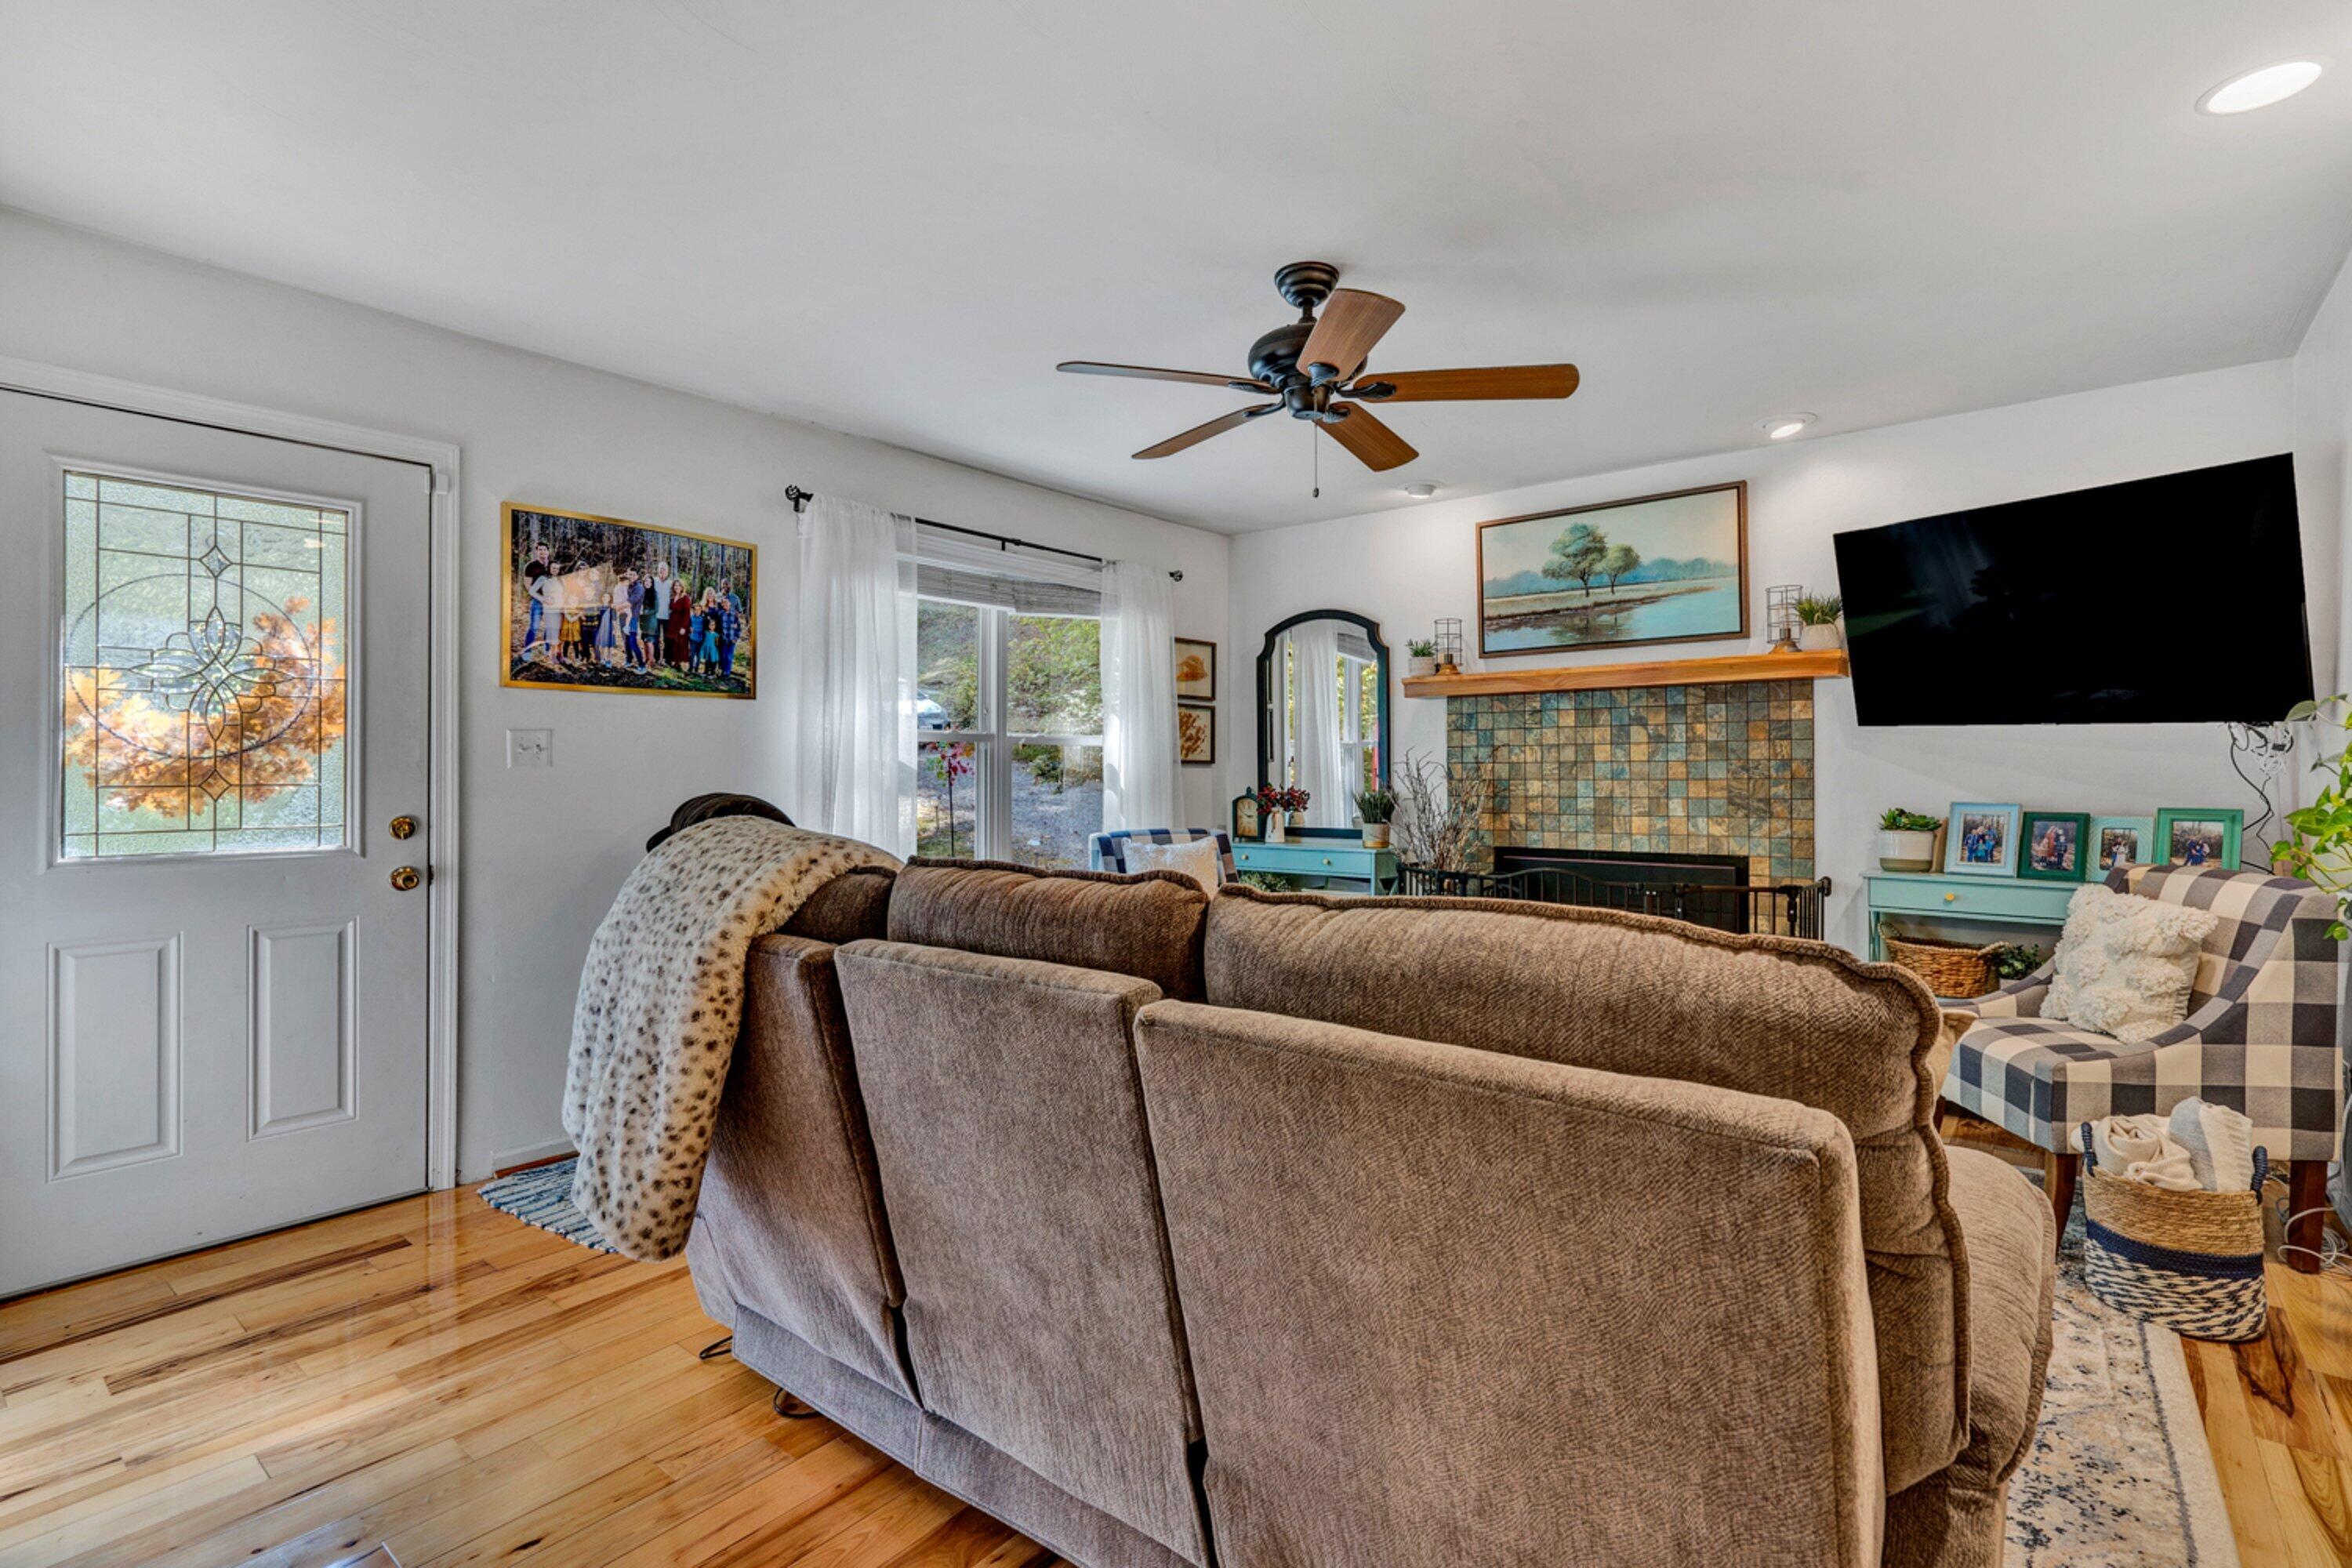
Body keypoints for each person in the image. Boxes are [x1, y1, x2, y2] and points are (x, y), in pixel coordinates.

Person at [519, 543, 553, 662]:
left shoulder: (553, 565)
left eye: (545, 549)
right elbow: (528, 586)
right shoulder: (531, 566)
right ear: (537, 552)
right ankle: (527, 652)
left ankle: (547, 649)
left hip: (552, 602)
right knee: (534, 627)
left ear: (548, 551)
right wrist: (542, 599)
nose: (543, 552)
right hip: (538, 601)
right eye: (540, 550)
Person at [648, 558, 676, 666]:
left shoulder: (671, 583)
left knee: (668, 639)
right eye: (660, 569)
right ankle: (656, 658)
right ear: (657, 570)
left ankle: (667, 659)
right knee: (655, 638)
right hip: (656, 615)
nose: (662, 571)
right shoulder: (654, 582)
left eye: (664, 569)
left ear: (668, 571)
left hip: (668, 616)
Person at [665, 576, 693, 666]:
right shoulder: (673, 598)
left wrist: (684, 627)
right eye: (675, 586)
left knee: (680, 643)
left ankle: (678, 663)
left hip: (681, 623)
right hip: (672, 622)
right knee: (671, 642)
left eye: (679, 585)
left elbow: (687, 614)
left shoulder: (685, 598)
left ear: (682, 587)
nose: (677, 587)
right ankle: (670, 660)